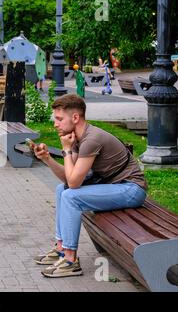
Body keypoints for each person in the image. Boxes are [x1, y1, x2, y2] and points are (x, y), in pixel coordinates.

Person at [31, 94, 147, 278]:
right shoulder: (78, 137)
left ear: (75, 118)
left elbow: (74, 183)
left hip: (131, 189)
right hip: (115, 186)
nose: (55, 124)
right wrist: (47, 158)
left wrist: (67, 150)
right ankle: (61, 248)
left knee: (70, 196)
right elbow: (68, 180)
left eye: (59, 119)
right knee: (63, 191)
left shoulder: (91, 139)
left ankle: (71, 261)